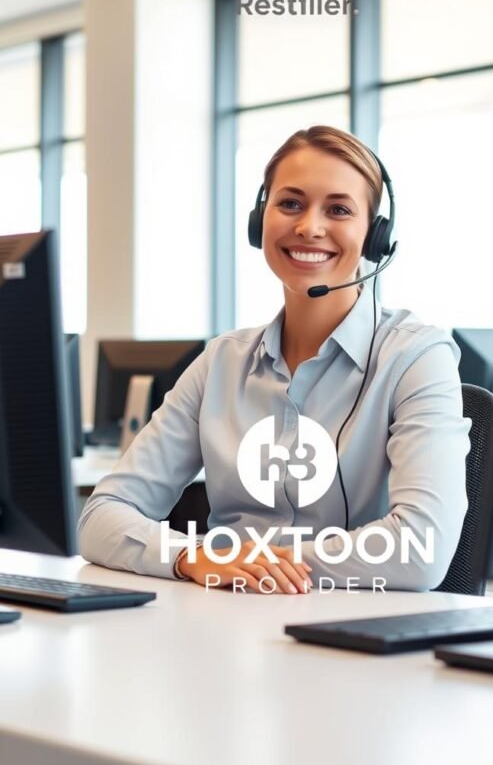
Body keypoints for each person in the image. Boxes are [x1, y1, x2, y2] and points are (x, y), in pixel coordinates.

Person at [78, 126, 471, 594]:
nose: (309, 226)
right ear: (259, 219)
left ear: (374, 236)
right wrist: (191, 556)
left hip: (353, 634)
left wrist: (252, 562)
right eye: (290, 203)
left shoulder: (416, 358)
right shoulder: (221, 363)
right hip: (224, 629)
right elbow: (101, 516)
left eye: (339, 209)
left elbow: (420, 548)